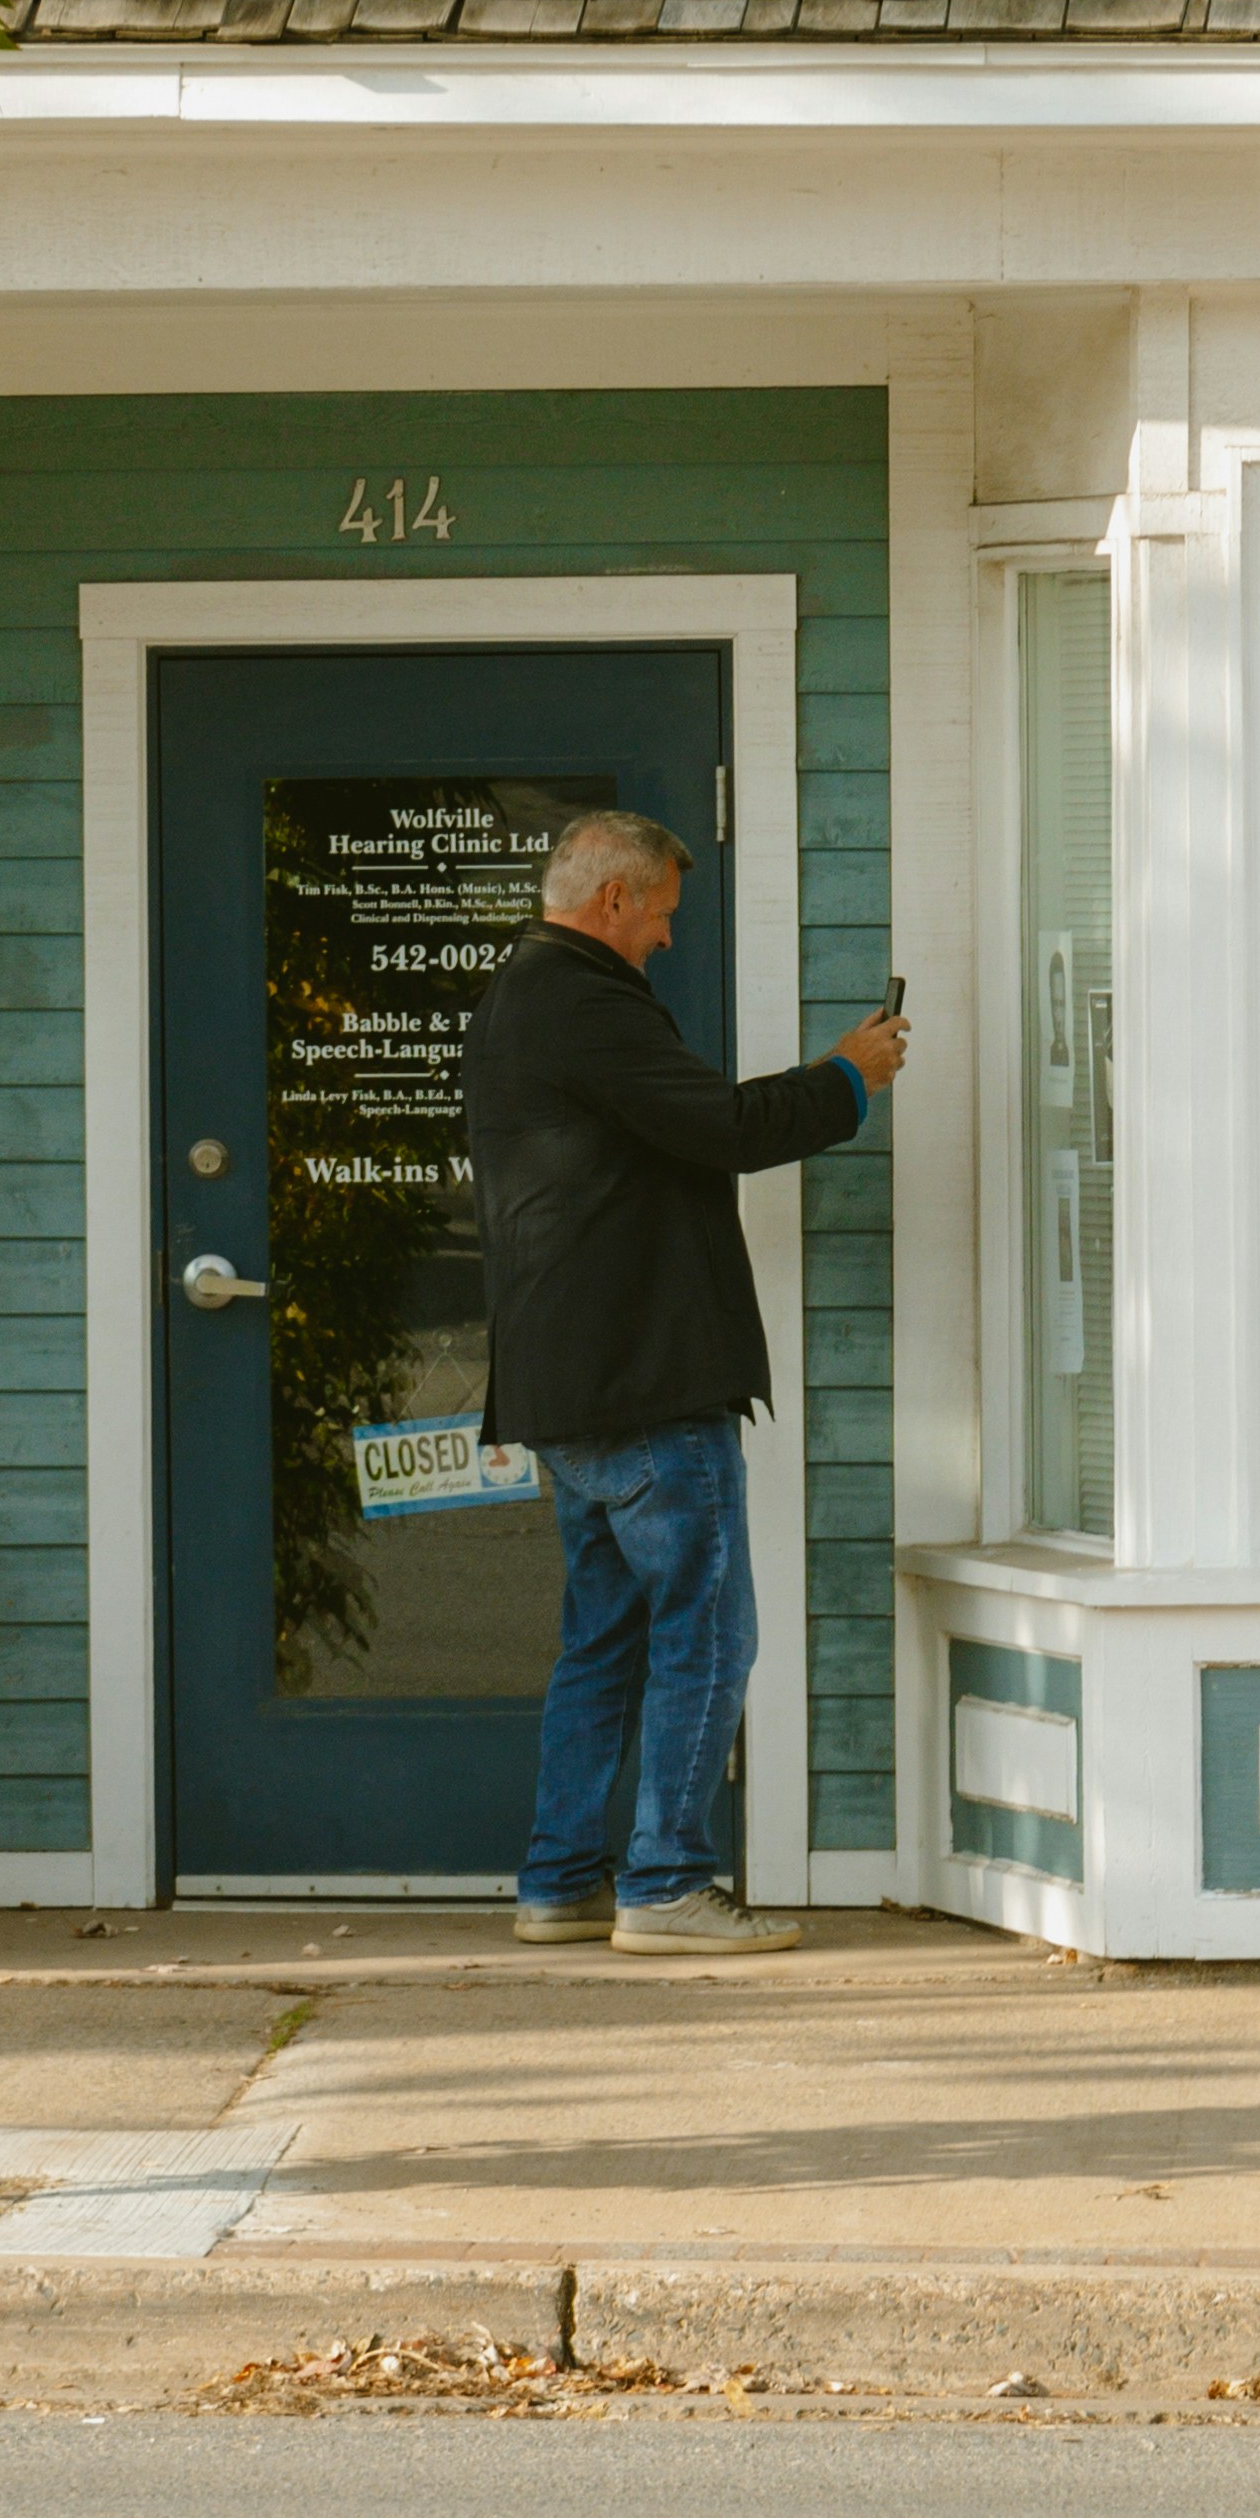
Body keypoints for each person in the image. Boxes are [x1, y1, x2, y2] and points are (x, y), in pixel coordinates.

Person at [464, 806, 910, 1958]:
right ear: (613, 899)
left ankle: (558, 1882)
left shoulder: (518, 993)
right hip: (644, 1379)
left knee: (600, 1641)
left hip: (567, 1389)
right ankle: (664, 1882)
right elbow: (713, 1124)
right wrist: (846, 1080)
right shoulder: (582, 997)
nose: (667, 935)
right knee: (707, 1635)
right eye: (661, 912)